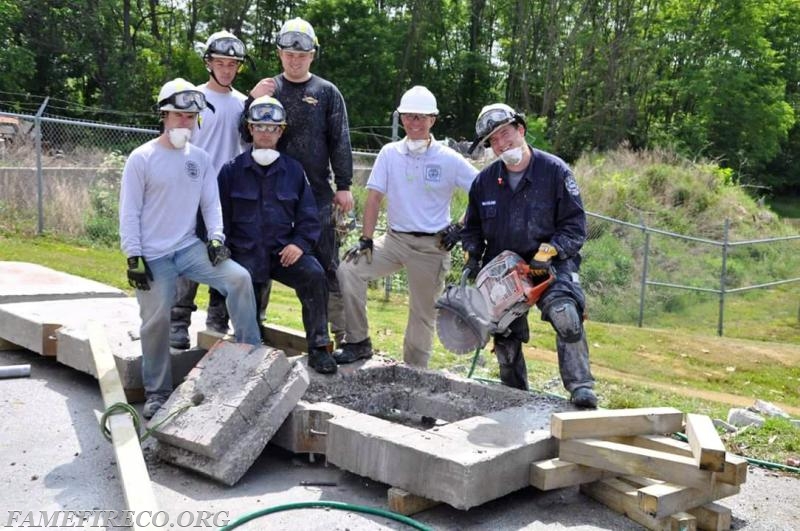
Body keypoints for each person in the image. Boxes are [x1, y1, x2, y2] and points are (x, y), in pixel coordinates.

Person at [119, 78, 261, 419]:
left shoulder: (200, 159)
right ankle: (157, 392)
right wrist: (134, 255)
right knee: (155, 321)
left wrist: (215, 238)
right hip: (152, 257)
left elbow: (211, 204)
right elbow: (129, 212)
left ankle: (252, 359)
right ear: (164, 115)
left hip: (188, 248)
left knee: (239, 279)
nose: (186, 122)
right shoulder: (142, 159)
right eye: (179, 115)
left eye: (192, 117)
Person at [461, 103, 597, 408]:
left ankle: (581, 388)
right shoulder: (483, 183)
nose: (500, 144)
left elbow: (575, 226)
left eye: (505, 134)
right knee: (506, 339)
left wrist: (548, 251)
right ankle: (514, 397)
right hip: (505, 270)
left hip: (548, 265)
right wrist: (471, 255)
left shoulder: (555, 172)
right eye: (493, 141)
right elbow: (471, 229)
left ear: (520, 130)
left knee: (566, 316)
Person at [334, 86, 478, 368]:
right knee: (349, 270)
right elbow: (374, 197)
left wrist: (461, 226)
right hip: (393, 240)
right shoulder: (390, 153)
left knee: (422, 314)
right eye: (409, 117)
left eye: (421, 117)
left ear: (433, 120)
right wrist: (366, 239)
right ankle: (358, 341)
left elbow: (484, 192)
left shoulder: (448, 158)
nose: (414, 123)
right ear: (401, 119)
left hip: (431, 247)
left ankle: (415, 373)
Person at [247, 17, 353, 347]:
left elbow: (340, 140)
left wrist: (345, 185)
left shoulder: (327, 93)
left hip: (318, 195)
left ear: (312, 55)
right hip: (271, 195)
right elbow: (244, 131)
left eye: (301, 55)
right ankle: (254, 328)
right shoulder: (269, 90)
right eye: (288, 54)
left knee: (327, 267)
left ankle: (339, 333)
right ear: (279, 54)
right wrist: (250, 99)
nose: (295, 60)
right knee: (259, 259)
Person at [218, 96, 338, 374]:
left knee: (314, 274)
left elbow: (309, 218)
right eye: (260, 127)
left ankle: (319, 347)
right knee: (245, 292)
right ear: (249, 129)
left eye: (273, 128)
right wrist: (225, 253)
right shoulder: (230, 171)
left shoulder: (294, 171)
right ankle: (250, 339)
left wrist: (299, 244)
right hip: (245, 255)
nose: (266, 133)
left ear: (281, 131)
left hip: (282, 253)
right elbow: (219, 220)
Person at [170, 30, 251, 349]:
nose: (227, 69)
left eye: (232, 64)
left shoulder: (244, 104)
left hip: (230, 194)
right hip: (193, 189)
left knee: (222, 255)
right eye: (221, 62)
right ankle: (178, 320)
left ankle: (217, 318)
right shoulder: (193, 98)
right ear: (209, 63)